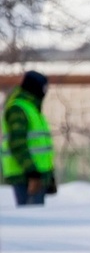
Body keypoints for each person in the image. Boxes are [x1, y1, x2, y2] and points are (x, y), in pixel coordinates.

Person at [2, 70, 57, 207]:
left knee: (38, 220)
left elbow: (41, 148)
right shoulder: (18, 109)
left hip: (36, 175)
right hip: (26, 177)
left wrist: (48, 176)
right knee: (32, 220)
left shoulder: (32, 109)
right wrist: (32, 173)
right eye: (44, 88)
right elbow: (17, 144)